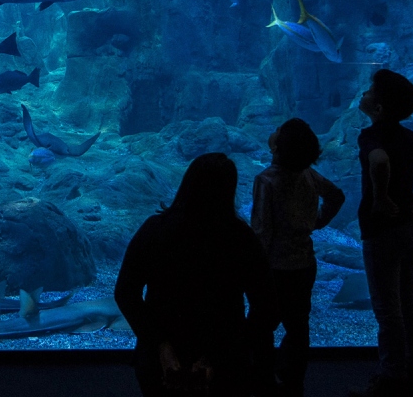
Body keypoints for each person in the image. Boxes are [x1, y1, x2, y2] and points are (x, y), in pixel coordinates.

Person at [115, 152, 278, 397]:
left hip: (159, 359)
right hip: (225, 358)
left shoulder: (155, 229)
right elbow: (266, 305)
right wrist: (223, 352)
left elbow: (125, 292)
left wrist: (160, 345)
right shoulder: (240, 237)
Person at [349, 70, 413, 397]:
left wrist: (380, 197)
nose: (363, 94)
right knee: (409, 302)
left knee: (386, 307)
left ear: (377, 108)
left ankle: (390, 379)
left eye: (369, 91)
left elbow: (378, 161)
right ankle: (412, 371)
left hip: (382, 232)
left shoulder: (371, 136)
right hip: (410, 227)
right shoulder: (409, 137)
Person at [250, 118, 346, 397]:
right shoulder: (308, 174)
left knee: (261, 325)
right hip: (304, 263)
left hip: (273, 268)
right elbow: (336, 196)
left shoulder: (265, 180)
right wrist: (317, 222)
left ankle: (264, 381)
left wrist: (253, 266)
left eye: (278, 131)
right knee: (298, 324)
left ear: (279, 146)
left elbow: (261, 231)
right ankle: (294, 381)